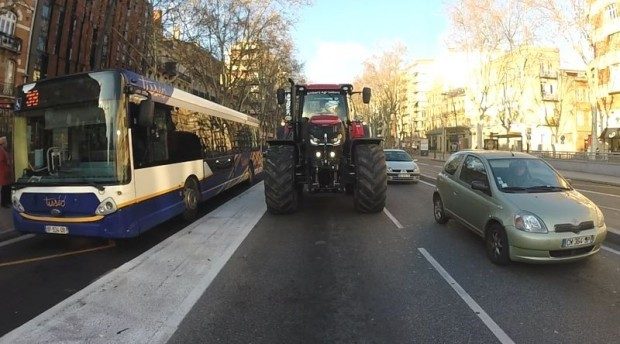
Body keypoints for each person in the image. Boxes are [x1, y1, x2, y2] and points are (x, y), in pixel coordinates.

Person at [0, 136, 12, 207]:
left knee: (7, 187)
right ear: (3, 143)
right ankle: (4, 203)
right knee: (5, 188)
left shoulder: (4, 149)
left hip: (6, 171)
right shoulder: (1, 150)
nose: (7, 143)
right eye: (6, 142)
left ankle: (7, 201)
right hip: (3, 171)